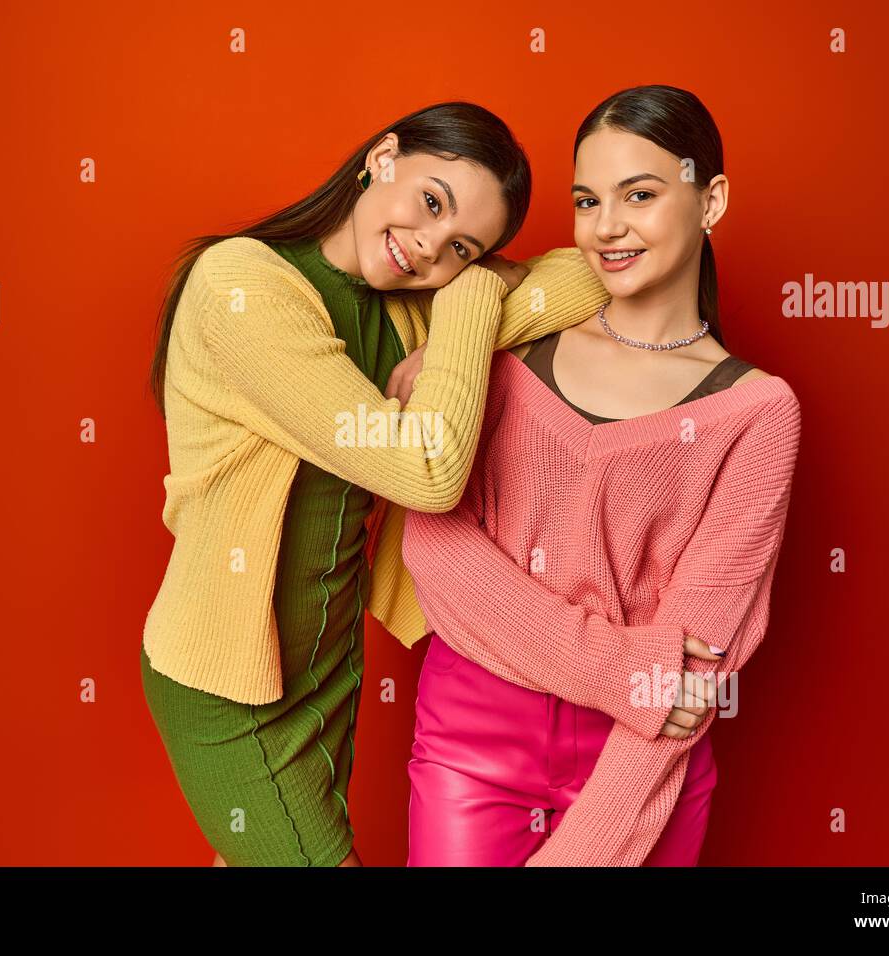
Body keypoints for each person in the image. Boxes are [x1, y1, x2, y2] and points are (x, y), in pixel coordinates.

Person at [141, 101, 609, 867]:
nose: (428, 247)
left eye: (463, 247)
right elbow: (425, 469)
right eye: (430, 201)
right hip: (233, 689)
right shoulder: (241, 285)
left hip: (328, 667)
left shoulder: (407, 305)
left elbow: (588, 275)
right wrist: (471, 303)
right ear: (382, 157)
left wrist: (466, 303)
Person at [398, 85, 803, 866]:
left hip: (641, 765)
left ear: (710, 199)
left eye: (640, 195)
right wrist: (627, 671)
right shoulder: (504, 362)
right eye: (588, 199)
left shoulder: (758, 413)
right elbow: (437, 553)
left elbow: (694, 670)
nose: (607, 227)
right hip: (472, 737)